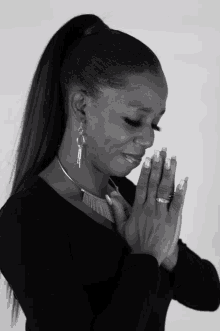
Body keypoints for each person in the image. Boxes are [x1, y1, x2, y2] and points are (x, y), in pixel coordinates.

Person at [0, 13, 219, 331]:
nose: (148, 139)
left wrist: (167, 248)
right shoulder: (24, 219)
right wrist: (145, 255)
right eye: (134, 120)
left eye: (154, 124)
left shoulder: (128, 194)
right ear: (81, 106)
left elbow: (209, 295)